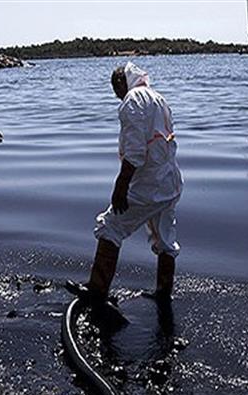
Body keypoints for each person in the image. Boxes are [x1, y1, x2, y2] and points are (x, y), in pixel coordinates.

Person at [67, 62, 183, 305]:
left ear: (122, 81)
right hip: (170, 181)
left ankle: (97, 291)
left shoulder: (132, 100)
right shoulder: (157, 97)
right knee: (165, 238)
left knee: (110, 226)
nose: (115, 94)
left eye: (115, 87)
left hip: (150, 184)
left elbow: (135, 151)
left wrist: (121, 186)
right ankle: (163, 294)